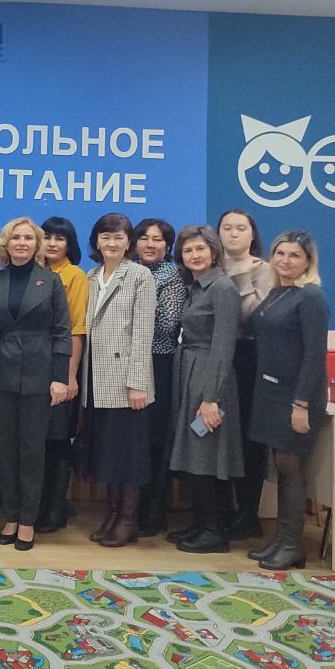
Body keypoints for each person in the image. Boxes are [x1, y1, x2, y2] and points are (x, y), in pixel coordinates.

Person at [0, 217, 71, 552]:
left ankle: (28, 520)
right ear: (6, 244)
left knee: (31, 450)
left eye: (28, 238)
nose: (22, 243)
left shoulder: (50, 281)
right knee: (6, 448)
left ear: (37, 245)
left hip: (39, 374)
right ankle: (11, 516)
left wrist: (60, 378)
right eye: (16, 238)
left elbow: (62, 331)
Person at [247, 231, 329, 570]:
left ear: (308, 262)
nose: (285, 260)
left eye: (294, 255)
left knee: (292, 468)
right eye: (280, 253)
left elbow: (314, 355)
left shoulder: (311, 297)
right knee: (282, 467)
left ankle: (294, 545)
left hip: (296, 396)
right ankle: (281, 539)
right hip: (271, 392)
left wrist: (301, 404)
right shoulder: (278, 292)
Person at [80, 213, 156, 548]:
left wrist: (138, 382)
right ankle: (112, 514)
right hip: (96, 378)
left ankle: (128, 519)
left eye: (118, 237)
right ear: (96, 241)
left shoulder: (139, 275)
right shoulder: (91, 276)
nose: (111, 243)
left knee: (128, 454)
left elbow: (142, 332)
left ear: (129, 242)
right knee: (109, 451)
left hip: (127, 380)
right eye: (105, 237)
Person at [166, 225, 242, 553]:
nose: (194, 255)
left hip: (210, 379)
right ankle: (201, 523)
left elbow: (224, 346)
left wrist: (211, 398)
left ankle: (214, 530)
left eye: (200, 249)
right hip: (190, 373)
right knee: (194, 452)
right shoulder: (195, 287)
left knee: (205, 452)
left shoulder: (222, 288)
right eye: (188, 250)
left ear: (213, 251)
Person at [218, 208, 274, 540]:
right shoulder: (210, 266)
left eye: (241, 228)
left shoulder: (264, 270)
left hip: (249, 357)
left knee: (248, 437)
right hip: (217, 355)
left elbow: (255, 319)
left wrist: (241, 275)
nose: (234, 233)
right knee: (219, 432)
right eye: (227, 227)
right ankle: (221, 509)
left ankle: (248, 512)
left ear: (253, 234)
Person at [131, 218, 185, 537]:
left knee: (155, 439)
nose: (150, 244)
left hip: (158, 362)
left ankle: (154, 509)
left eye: (158, 239)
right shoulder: (125, 271)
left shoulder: (172, 276)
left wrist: (128, 317)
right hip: (124, 363)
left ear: (168, 246)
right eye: (144, 238)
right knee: (132, 439)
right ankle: (130, 507)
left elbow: (167, 325)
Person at [35, 216, 88, 534]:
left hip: (60, 366)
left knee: (57, 439)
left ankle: (55, 509)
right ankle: (38, 504)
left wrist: (69, 376)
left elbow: (77, 330)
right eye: (48, 237)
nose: (52, 244)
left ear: (70, 244)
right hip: (32, 368)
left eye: (60, 238)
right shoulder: (34, 272)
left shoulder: (74, 276)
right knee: (37, 439)